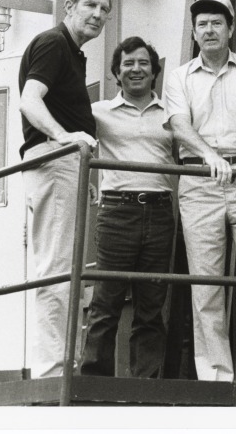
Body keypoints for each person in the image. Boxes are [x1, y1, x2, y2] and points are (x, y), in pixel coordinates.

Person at [163, 0, 236, 388]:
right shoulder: (179, 76)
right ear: (194, 34)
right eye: (202, 25)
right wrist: (207, 154)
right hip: (200, 181)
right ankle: (216, 374)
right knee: (207, 282)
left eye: (217, 22)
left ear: (230, 29)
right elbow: (179, 124)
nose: (209, 30)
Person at [18, 0, 111, 378]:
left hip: (67, 166)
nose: (98, 14)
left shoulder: (73, 52)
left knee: (69, 271)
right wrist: (64, 139)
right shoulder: (54, 43)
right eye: (90, 5)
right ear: (69, 6)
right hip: (56, 161)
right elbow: (29, 99)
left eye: (105, 10)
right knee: (58, 270)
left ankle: (63, 369)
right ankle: (54, 374)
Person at [80, 36, 176, 378]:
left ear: (154, 71)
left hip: (161, 212)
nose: (136, 69)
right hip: (117, 212)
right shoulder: (99, 112)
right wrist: (86, 178)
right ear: (117, 74)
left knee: (152, 305)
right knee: (106, 302)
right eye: (128, 64)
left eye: (143, 63)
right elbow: (75, 144)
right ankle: (94, 385)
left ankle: (145, 387)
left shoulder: (172, 114)